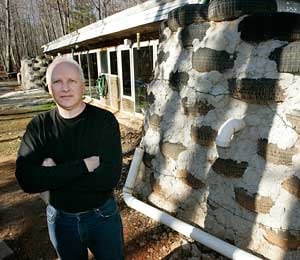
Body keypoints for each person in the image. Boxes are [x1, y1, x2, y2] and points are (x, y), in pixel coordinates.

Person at [15, 56, 124, 260]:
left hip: (102, 217)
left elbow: (108, 178)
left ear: (82, 86)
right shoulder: (39, 127)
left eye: (72, 81)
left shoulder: (104, 122)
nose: (65, 88)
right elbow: (26, 179)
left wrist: (51, 175)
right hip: (60, 220)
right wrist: (84, 165)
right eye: (57, 82)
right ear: (49, 88)